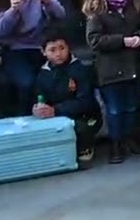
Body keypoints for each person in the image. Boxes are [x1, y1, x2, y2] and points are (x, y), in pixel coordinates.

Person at [84, 0, 140, 163]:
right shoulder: (97, 12)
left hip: (132, 67)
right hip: (110, 71)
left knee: (132, 107)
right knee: (115, 110)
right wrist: (122, 41)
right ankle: (116, 144)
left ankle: (131, 140)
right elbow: (94, 40)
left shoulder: (133, 6)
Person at [0, 0, 65, 116]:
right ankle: (23, 118)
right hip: (13, 50)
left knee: (51, 79)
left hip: (38, 47)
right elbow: (0, 30)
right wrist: (14, 9)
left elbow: (61, 14)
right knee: (26, 82)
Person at [32, 26, 101, 166]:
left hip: (87, 117)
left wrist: (55, 110)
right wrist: (38, 108)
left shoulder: (81, 68)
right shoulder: (42, 74)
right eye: (52, 50)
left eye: (62, 48)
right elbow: (39, 98)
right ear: (43, 52)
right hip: (55, 115)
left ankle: (85, 147)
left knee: (83, 127)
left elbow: (86, 102)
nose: (58, 53)